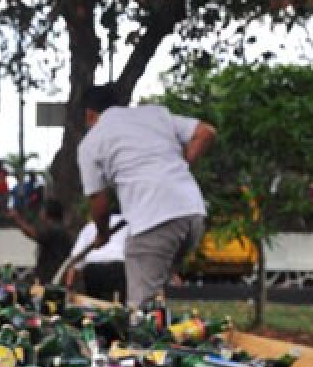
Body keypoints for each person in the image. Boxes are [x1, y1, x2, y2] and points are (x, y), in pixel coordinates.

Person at [76, 83, 216, 308]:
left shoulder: (91, 142)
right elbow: (205, 133)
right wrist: (180, 166)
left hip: (154, 220)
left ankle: (144, 337)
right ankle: (165, 330)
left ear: (89, 114)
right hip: (193, 214)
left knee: (140, 308)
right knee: (155, 296)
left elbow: (99, 201)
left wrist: (102, 234)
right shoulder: (155, 114)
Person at [67, 212, 129, 302]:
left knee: (94, 304)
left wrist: (69, 286)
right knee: (118, 305)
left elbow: (75, 259)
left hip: (94, 270)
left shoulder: (91, 225)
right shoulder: (128, 223)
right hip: (118, 268)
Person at [8, 198, 71, 284]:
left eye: (42, 210)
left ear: (47, 213)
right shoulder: (59, 229)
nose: (40, 213)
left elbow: (33, 233)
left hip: (49, 277)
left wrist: (17, 218)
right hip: (51, 275)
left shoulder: (55, 230)